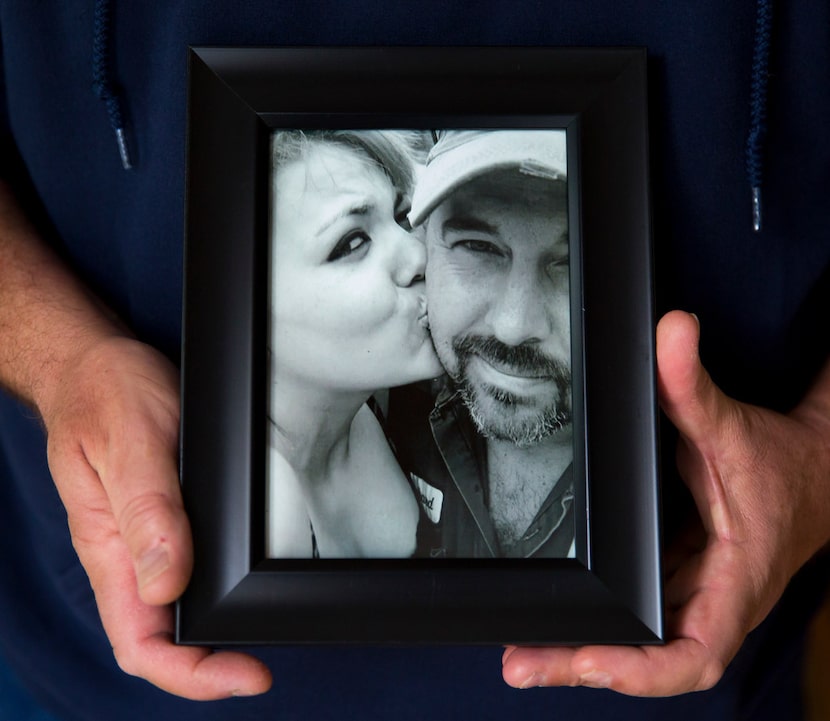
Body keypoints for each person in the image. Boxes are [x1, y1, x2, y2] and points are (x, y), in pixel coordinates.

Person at [0, 3, 827, 720]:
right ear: (245, 292)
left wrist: (821, 448)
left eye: (399, 219)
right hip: (103, 670)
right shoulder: (307, 469)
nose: (416, 267)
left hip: (706, 664)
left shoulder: (388, 400)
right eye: (354, 242)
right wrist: (60, 355)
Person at [389, 129, 576, 558]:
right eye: (477, 246)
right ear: (423, 250)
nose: (513, 326)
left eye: (573, 263)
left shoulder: (680, 493)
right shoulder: (377, 405)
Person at [265, 129, 442, 558]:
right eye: (352, 242)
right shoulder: (267, 517)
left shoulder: (398, 397)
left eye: (402, 218)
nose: (420, 257)